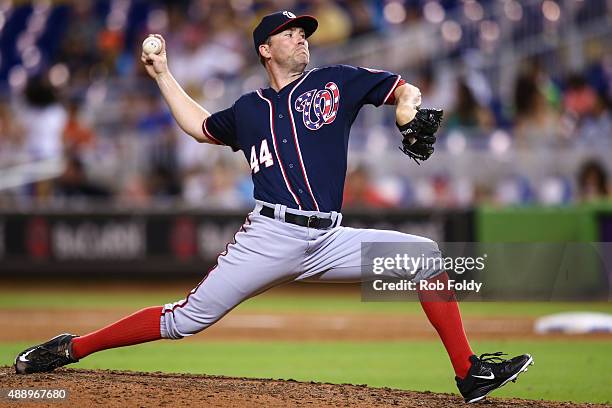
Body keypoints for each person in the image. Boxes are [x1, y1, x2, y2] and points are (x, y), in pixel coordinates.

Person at [14, 11, 533, 403]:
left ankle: (469, 374)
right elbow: (199, 127)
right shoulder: (248, 110)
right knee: (187, 320)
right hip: (270, 235)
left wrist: (406, 114)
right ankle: (73, 348)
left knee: (424, 256)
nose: (300, 37)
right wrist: (163, 75)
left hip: (329, 238)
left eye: (303, 31)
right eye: (289, 33)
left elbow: (405, 88)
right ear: (265, 49)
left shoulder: (337, 82)